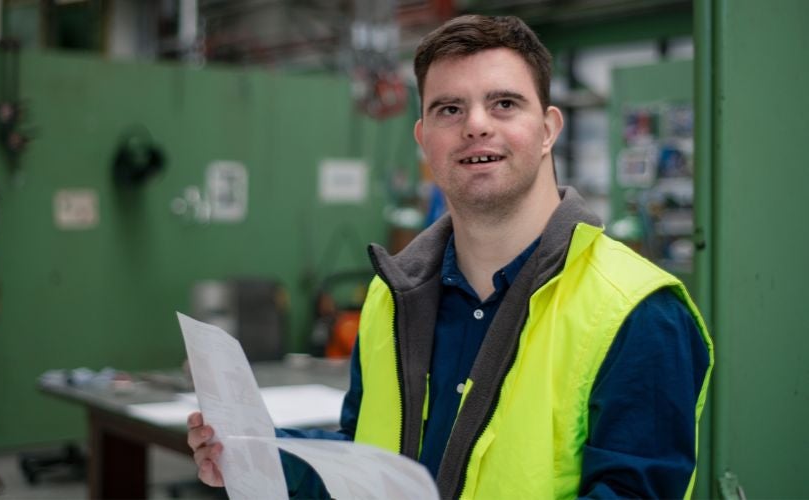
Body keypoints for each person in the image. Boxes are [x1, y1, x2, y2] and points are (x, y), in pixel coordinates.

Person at [188, 14, 713, 498]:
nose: (476, 125)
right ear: (423, 138)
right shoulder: (390, 298)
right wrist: (256, 453)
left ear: (549, 129)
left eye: (504, 103)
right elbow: (366, 463)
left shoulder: (637, 312)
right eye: (449, 109)